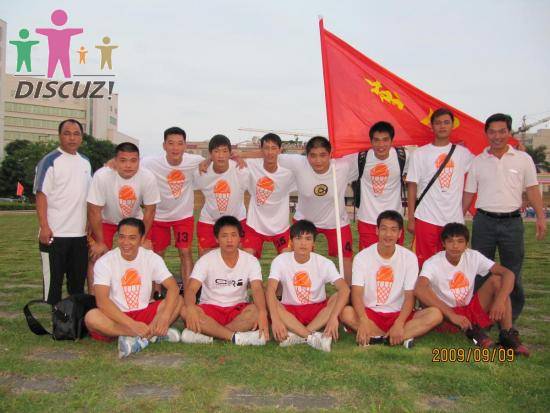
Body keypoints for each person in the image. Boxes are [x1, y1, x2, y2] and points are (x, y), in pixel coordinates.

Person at [463, 113, 547, 322]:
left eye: (502, 131)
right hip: (484, 222)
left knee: (513, 271)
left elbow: (532, 189)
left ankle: (509, 322)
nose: (497, 136)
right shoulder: (477, 161)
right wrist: (459, 219)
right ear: (486, 134)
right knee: (481, 271)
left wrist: (540, 217)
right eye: (492, 132)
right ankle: (481, 318)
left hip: (512, 223)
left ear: (509, 132)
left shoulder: (523, 159)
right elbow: (468, 194)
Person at [415, 223, 529, 356]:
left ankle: (507, 334)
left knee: (497, 281)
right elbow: (419, 289)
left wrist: (499, 301)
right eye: (450, 241)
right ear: (443, 244)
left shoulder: (473, 256)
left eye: (460, 241)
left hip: (468, 309)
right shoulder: (433, 263)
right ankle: (473, 331)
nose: (455, 246)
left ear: (466, 244)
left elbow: (508, 274)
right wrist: (451, 315)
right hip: (445, 315)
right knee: (426, 290)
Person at [84, 218, 183, 358]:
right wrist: (132, 325)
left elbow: (173, 288)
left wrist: (165, 317)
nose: (126, 242)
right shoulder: (105, 262)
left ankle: (141, 338)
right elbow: (102, 302)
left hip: (143, 312)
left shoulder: (151, 258)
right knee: (91, 317)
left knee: (178, 301)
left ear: (142, 239)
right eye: (122, 237)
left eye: (132, 238)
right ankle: (148, 335)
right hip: (117, 316)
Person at [340, 210, 442, 346]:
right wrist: (363, 320)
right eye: (384, 229)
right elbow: (357, 293)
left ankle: (379, 337)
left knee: (435, 314)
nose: (388, 234)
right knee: (345, 313)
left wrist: (399, 323)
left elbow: (410, 296)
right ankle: (397, 337)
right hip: (371, 313)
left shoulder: (409, 258)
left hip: (399, 313)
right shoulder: (362, 257)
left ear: (399, 233)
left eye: (393, 230)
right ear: (377, 231)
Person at [274, 136, 357, 282]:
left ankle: (348, 292)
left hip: (336, 221)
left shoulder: (343, 165)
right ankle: (286, 291)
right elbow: (269, 155)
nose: (318, 160)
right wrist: (236, 156)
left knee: (346, 257)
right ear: (306, 156)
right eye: (313, 155)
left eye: (323, 155)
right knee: (293, 257)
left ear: (330, 154)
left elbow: (369, 150)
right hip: (305, 220)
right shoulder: (298, 163)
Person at [179, 216, 268, 346]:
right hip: (210, 309)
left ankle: (211, 335)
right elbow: (191, 289)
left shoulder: (250, 260)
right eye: (224, 236)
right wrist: (191, 308)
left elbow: (257, 289)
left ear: (240, 238)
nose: (229, 240)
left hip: (237, 310)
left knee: (255, 310)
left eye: (233, 235)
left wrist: (262, 312)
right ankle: (234, 337)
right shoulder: (206, 260)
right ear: (217, 239)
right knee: (185, 310)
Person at [266, 220, 350, 352]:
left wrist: (334, 317)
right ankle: (311, 337)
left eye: (308, 239)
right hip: (290, 311)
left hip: (317, 311)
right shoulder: (280, 260)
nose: (303, 243)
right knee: (270, 298)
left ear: (313, 243)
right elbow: (271, 289)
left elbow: (344, 289)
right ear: (291, 242)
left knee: (338, 296)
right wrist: (275, 319)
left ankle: (299, 335)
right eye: (298, 238)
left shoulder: (324, 263)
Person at [87, 142, 160, 291]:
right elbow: (94, 210)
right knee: (96, 256)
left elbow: (150, 210)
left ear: (139, 161)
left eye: (133, 161)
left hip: (134, 220)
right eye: (123, 160)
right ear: (115, 161)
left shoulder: (147, 177)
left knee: (146, 252)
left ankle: (149, 297)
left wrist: (142, 238)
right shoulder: (102, 176)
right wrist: (100, 242)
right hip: (106, 219)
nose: (128, 165)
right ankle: (94, 299)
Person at [406, 108, 474, 268]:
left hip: (453, 220)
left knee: (453, 265)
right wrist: (411, 218)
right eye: (438, 123)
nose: (442, 126)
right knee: (424, 264)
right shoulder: (420, 154)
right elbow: (412, 186)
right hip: (426, 218)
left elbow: (484, 162)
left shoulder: (463, 154)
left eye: (446, 122)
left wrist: (514, 148)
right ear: (431, 126)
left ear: (452, 125)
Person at [33, 119, 91, 304]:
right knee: (53, 284)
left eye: (76, 134)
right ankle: (55, 316)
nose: (72, 138)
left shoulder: (85, 162)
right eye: (67, 133)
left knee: (77, 284)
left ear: (81, 137)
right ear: (60, 136)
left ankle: (73, 317)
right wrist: (44, 227)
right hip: (55, 234)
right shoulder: (49, 161)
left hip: (79, 235)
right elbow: (41, 195)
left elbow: (88, 196)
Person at [142, 127, 204, 288]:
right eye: (171, 143)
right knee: (157, 254)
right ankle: (156, 293)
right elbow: (130, 163)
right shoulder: (150, 162)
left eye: (179, 143)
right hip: (158, 217)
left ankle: (189, 293)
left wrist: (238, 159)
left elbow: (216, 159)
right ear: (164, 145)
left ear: (185, 146)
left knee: (185, 252)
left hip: (183, 216)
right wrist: (112, 162)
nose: (175, 148)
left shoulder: (195, 161)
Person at [241, 133, 295, 259]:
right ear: (261, 150)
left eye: (274, 148)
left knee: (287, 260)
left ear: (280, 150)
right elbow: (231, 157)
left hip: (281, 227)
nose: (270, 152)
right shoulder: (251, 165)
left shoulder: (289, 172)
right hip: (255, 225)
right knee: (247, 260)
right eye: (266, 148)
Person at [194, 135, 249, 255]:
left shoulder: (240, 170)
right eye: (216, 151)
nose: (221, 155)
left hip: (237, 219)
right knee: (205, 257)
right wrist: (206, 161)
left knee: (239, 256)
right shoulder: (202, 172)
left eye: (224, 151)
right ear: (210, 154)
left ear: (230, 153)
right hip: (209, 220)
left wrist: (241, 157)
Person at [355, 121, 407, 250]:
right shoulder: (361, 157)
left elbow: (415, 180)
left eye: (385, 140)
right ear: (371, 141)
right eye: (376, 140)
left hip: (394, 219)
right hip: (368, 219)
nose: (381, 145)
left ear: (392, 140)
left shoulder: (403, 157)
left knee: (394, 258)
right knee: (368, 258)